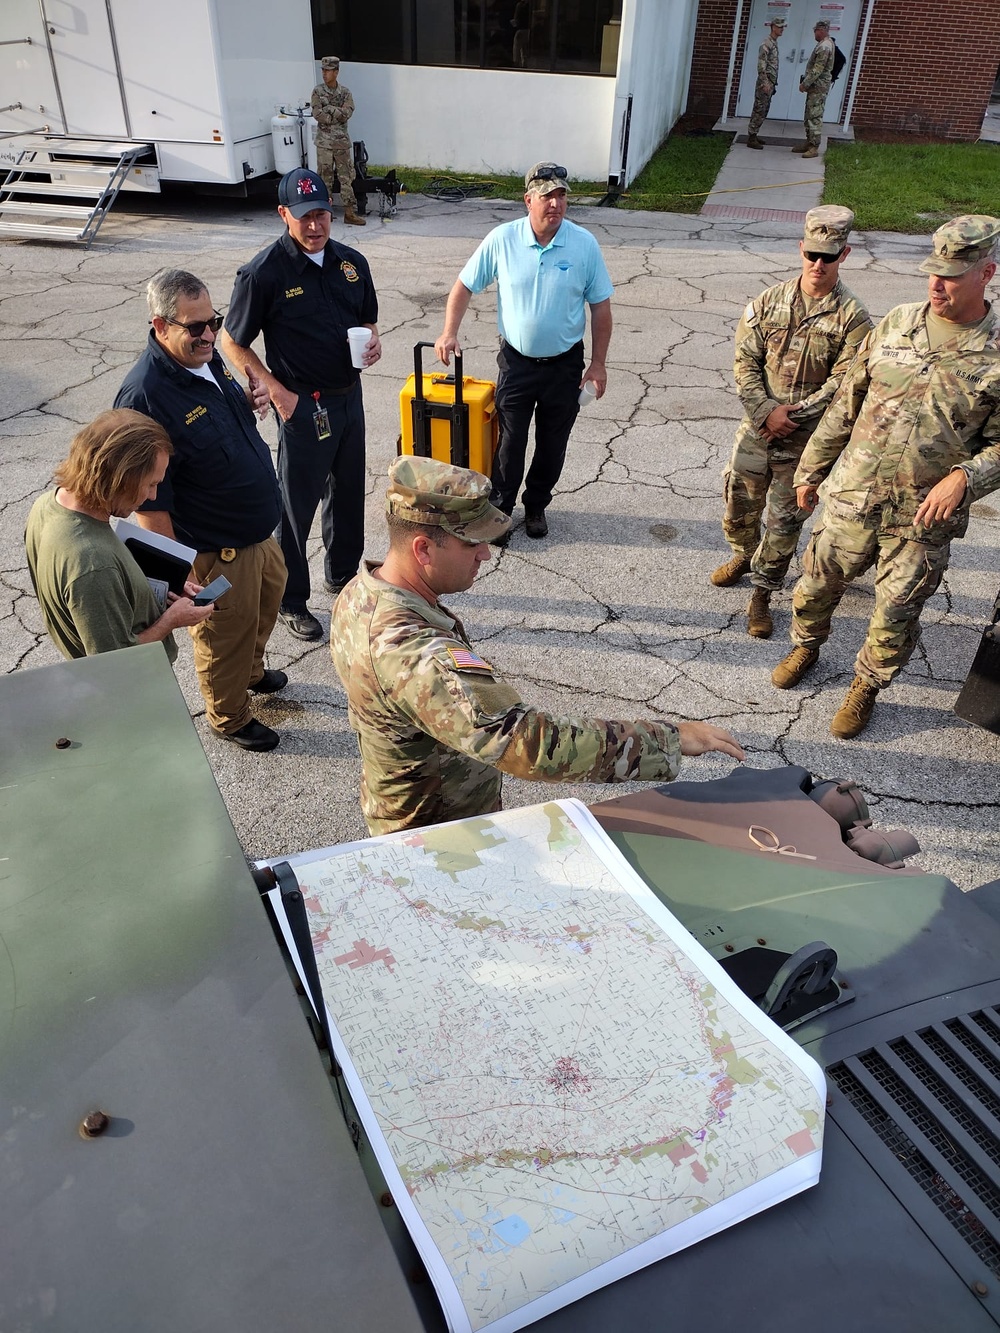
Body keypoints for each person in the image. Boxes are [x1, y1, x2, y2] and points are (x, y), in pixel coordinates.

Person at [331, 455, 744, 835]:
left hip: (417, 800)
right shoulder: (415, 653)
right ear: (423, 549)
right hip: (437, 832)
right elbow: (531, 744)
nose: (485, 557)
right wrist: (669, 739)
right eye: (471, 544)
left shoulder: (364, 591)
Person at [771, 215, 1000, 739]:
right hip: (855, 492)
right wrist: (811, 470)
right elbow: (847, 403)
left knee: (896, 608)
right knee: (815, 584)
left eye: (952, 275)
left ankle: (866, 687)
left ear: (986, 273)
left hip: (922, 512)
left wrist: (967, 477)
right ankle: (806, 647)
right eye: (932, 272)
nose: (937, 285)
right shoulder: (896, 323)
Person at [115, 269, 288, 753]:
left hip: (256, 533)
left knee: (264, 606)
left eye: (213, 320)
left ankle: (250, 673)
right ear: (160, 325)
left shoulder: (206, 359)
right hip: (217, 550)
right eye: (195, 326)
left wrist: (250, 399)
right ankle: (228, 716)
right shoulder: (145, 396)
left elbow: (224, 417)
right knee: (225, 634)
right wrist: (177, 577)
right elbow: (149, 504)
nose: (210, 334)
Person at [219, 168, 381, 643]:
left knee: (349, 495)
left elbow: (367, 319)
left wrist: (373, 343)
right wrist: (273, 387)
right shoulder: (263, 273)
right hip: (302, 406)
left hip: (348, 399)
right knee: (295, 508)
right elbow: (232, 341)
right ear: (283, 214)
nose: (315, 226)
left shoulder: (351, 263)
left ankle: (343, 576)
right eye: (305, 216)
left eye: (322, 215)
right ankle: (291, 600)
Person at [711, 206, 871, 639]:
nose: (819, 265)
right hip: (757, 427)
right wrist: (765, 411)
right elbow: (745, 360)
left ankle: (762, 593)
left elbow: (844, 383)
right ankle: (744, 554)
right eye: (813, 255)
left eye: (830, 257)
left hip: (804, 441)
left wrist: (791, 416)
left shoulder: (854, 318)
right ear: (801, 248)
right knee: (737, 505)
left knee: (783, 523)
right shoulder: (768, 301)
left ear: (845, 254)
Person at [434, 161, 613, 541]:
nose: (556, 203)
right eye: (547, 196)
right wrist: (449, 332)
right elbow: (464, 286)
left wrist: (598, 365)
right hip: (516, 362)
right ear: (528, 200)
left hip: (565, 365)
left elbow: (601, 307)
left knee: (553, 442)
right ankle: (500, 509)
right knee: (510, 443)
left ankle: (536, 505)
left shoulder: (584, 245)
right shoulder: (503, 239)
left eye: (561, 195)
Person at [24, 408, 213, 662]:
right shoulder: (92, 565)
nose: (153, 497)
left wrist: (158, 588)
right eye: (150, 484)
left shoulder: (47, 504)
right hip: (132, 689)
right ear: (120, 478)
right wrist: (170, 621)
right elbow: (114, 662)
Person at [311, 56, 365, 227]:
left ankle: (349, 212)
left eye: (328, 71)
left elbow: (348, 112)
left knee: (346, 177)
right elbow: (318, 115)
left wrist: (331, 109)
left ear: (336, 72)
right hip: (324, 143)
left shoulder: (345, 93)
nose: (324, 74)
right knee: (324, 177)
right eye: (323, 70)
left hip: (341, 143)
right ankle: (325, 212)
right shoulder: (317, 91)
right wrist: (337, 114)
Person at [795, 20, 835, 160]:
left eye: (815, 30)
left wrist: (804, 84)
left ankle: (814, 147)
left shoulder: (824, 46)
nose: (814, 33)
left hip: (818, 88)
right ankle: (809, 142)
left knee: (815, 117)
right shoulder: (824, 44)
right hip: (815, 88)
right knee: (809, 115)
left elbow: (817, 69)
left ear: (822, 30)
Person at [746, 16, 786, 149]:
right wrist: (765, 83)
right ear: (773, 27)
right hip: (765, 83)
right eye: (780, 27)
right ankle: (751, 138)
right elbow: (761, 65)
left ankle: (754, 134)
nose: (782, 29)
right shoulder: (766, 43)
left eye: (783, 27)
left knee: (764, 109)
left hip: (771, 82)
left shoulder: (774, 43)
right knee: (759, 109)